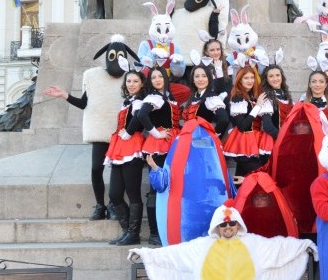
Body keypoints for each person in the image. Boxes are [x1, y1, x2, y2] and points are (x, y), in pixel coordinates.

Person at [43, 34, 137, 220]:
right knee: (96, 168)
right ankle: (100, 205)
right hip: (101, 131)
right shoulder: (92, 77)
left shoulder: (131, 77)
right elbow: (85, 103)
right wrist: (65, 96)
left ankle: (114, 205)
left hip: (123, 133)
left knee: (119, 171)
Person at [128, 199, 317, 280]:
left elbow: (278, 247)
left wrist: (303, 245)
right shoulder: (203, 246)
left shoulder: (253, 243)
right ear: (217, 226)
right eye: (224, 225)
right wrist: (145, 253)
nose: (228, 228)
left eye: (232, 224)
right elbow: (175, 254)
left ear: (238, 224)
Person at [133, 66, 178, 246]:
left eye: (160, 76)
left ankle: (166, 228)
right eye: (154, 78)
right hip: (159, 144)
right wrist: (156, 133)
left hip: (172, 142)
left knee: (170, 186)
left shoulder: (168, 97)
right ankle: (154, 232)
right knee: (156, 188)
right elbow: (142, 115)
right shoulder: (154, 98)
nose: (158, 80)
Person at [104, 70, 147, 246]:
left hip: (133, 144)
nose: (131, 84)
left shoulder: (141, 102)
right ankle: (127, 230)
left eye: (135, 81)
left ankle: (132, 233)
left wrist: (128, 132)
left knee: (133, 192)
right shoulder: (127, 101)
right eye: (128, 81)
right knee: (114, 194)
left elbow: (138, 118)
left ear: (142, 84)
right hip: (119, 146)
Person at [224, 67, 272, 176]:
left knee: (241, 178)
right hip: (242, 142)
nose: (250, 81)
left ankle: (237, 193)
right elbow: (242, 126)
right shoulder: (238, 97)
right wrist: (258, 106)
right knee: (259, 175)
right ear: (239, 80)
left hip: (253, 141)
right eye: (246, 78)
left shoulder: (251, 96)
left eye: (252, 77)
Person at [181, 65, 229, 136]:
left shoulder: (211, 97)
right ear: (193, 80)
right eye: (197, 76)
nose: (200, 79)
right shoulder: (193, 96)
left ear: (209, 78)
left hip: (202, 140)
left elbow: (224, 119)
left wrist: (213, 135)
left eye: (204, 76)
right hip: (187, 138)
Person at [260, 65, 294, 140]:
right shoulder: (266, 98)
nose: (275, 79)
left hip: (289, 140)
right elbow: (267, 127)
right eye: (271, 76)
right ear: (267, 79)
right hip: (275, 140)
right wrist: (284, 138)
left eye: (277, 75)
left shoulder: (287, 96)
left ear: (282, 77)